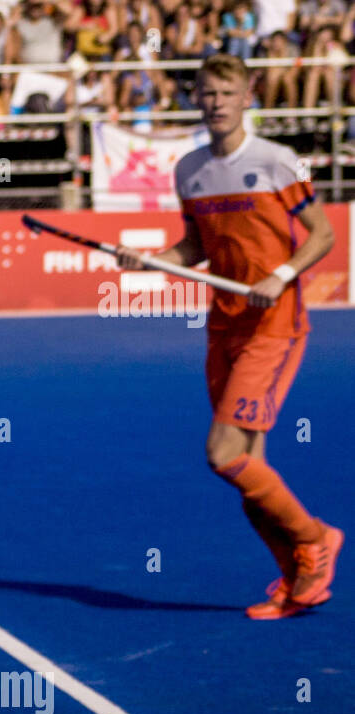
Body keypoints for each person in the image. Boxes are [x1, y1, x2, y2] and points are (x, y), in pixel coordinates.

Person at [115, 54, 342, 619]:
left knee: (223, 453)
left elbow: (324, 234)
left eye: (225, 92)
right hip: (223, 326)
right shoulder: (189, 169)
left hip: (275, 323)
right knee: (248, 469)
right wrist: (149, 261)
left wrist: (281, 275)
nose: (215, 101)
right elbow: (194, 247)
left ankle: (316, 540)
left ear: (247, 96)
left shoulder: (278, 162)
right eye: (206, 92)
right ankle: (295, 581)